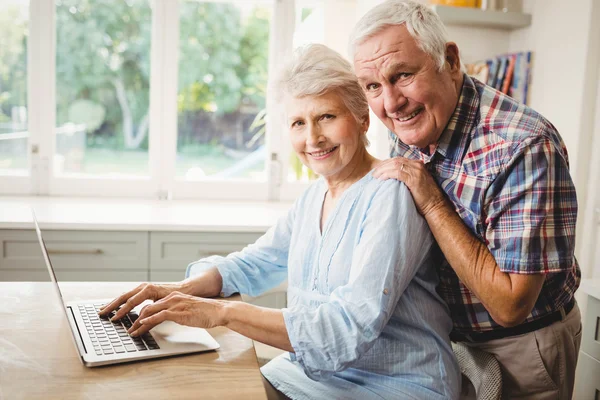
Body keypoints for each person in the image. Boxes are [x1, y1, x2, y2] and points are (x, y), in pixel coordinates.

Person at [99, 44, 460, 400]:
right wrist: (179, 289)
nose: (312, 138)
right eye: (298, 123)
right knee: (187, 385)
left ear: (362, 118)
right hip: (314, 376)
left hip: (395, 385)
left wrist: (222, 313)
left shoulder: (390, 194)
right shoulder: (313, 198)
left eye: (327, 117)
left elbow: (346, 330)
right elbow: (256, 263)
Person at [350, 1, 582, 399]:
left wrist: (432, 201)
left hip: (523, 349)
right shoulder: (414, 121)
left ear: (450, 60)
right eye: (373, 86)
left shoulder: (523, 147)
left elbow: (511, 306)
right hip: (449, 344)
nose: (390, 103)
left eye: (402, 75)